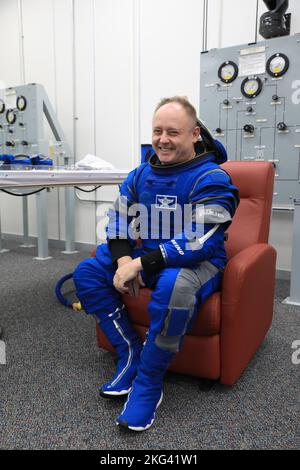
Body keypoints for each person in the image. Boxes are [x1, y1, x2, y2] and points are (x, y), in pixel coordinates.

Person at [73, 96, 239, 432]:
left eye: (173, 132)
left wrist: (140, 265)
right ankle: (129, 351)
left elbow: (199, 240)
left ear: (194, 134)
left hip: (200, 262)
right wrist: (123, 260)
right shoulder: (140, 174)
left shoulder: (212, 178)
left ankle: (148, 383)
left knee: (172, 286)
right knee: (88, 271)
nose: (162, 139)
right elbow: (118, 218)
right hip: (147, 255)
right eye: (157, 130)